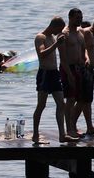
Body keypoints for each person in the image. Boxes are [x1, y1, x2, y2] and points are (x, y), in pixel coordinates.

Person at [32, 16, 77, 145]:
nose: (61, 31)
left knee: (61, 104)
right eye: (60, 29)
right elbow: (41, 54)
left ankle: (62, 135)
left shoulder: (52, 37)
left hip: (54, 74)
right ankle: (36, 135)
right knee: (41, 105)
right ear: (54, 26)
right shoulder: (41, 37)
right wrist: (56, 44)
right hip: (44, 74)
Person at [59, 8, 89, 136]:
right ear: (70, 18)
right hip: (68, 68)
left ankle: (73, 125)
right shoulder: (64, 34)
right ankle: (69, 129)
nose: (80, 20)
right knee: (70, 99)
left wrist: (86, 59)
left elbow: (84, 50)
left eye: (81, 17)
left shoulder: (80, 32)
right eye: (77, 18)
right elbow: (63, 57)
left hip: (80, 68)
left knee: (82, 98)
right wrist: (69, 75)